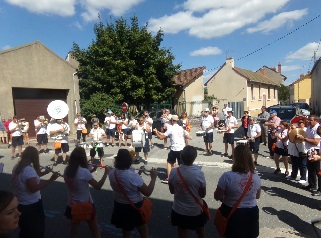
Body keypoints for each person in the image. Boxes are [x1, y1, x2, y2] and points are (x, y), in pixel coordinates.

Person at [214, 144, 261, 238]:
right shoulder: (256, 176)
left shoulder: (227, 176)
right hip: (251, 212)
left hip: (231, 211)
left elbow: (217, 197)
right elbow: (257, 196)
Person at [109, 149, 157, 238]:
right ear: (129, 161)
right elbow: (147, 192)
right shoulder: (132, 176)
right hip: (135, 206)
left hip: (120, 205)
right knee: (143, 231)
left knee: (126, 232)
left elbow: (128, 183)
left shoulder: (112, 173)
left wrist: (139, 172)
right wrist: (153, 178)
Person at [12, 146, 59, 238]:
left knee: (25, 230)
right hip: (31, 205)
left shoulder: (17, 166)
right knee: (36, 230)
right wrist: (51, 180)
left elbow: (33, 177)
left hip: (20, 202)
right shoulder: (28, 169)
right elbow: (34, 188)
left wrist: (45, 172)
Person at [64, 147, 111, 238]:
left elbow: (80, 176)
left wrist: (91, 170)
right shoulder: (84, 171)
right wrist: (106, 173)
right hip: (86, 204)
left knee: (74, 231)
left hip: (72, 204)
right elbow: (97, 186)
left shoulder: (67, 170)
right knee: (94, 229)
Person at [168, 146, 207, 238]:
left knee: (182, 233)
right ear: (194, 158)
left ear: (181, 156)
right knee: (200, 232)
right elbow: (203, 194)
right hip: (195, 210)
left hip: (178, 210)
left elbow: (172, 191)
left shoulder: (173, 172)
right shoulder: (199, 174)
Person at [154, 115, 192, 183]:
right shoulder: (181, 128)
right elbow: (189, 136)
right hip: (182, 149)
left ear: (172, 121)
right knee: (180, 164)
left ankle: (169, 178)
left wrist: (156, 132)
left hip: (174, 149)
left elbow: (161, 138)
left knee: (169, 162)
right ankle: (182, 178)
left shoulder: (171, 128)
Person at [297, 115, 321, 196]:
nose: (309, 121)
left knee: (318, 171)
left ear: (316, 121)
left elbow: (316, 142)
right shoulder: (309, 128)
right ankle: (312, 184)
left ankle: (319, 189)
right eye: (309, 120)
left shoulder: (318, 128)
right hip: (310, 150)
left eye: (311, 120)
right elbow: (306, 137)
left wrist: (303, 139)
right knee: (310, 168)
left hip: (317, 151)